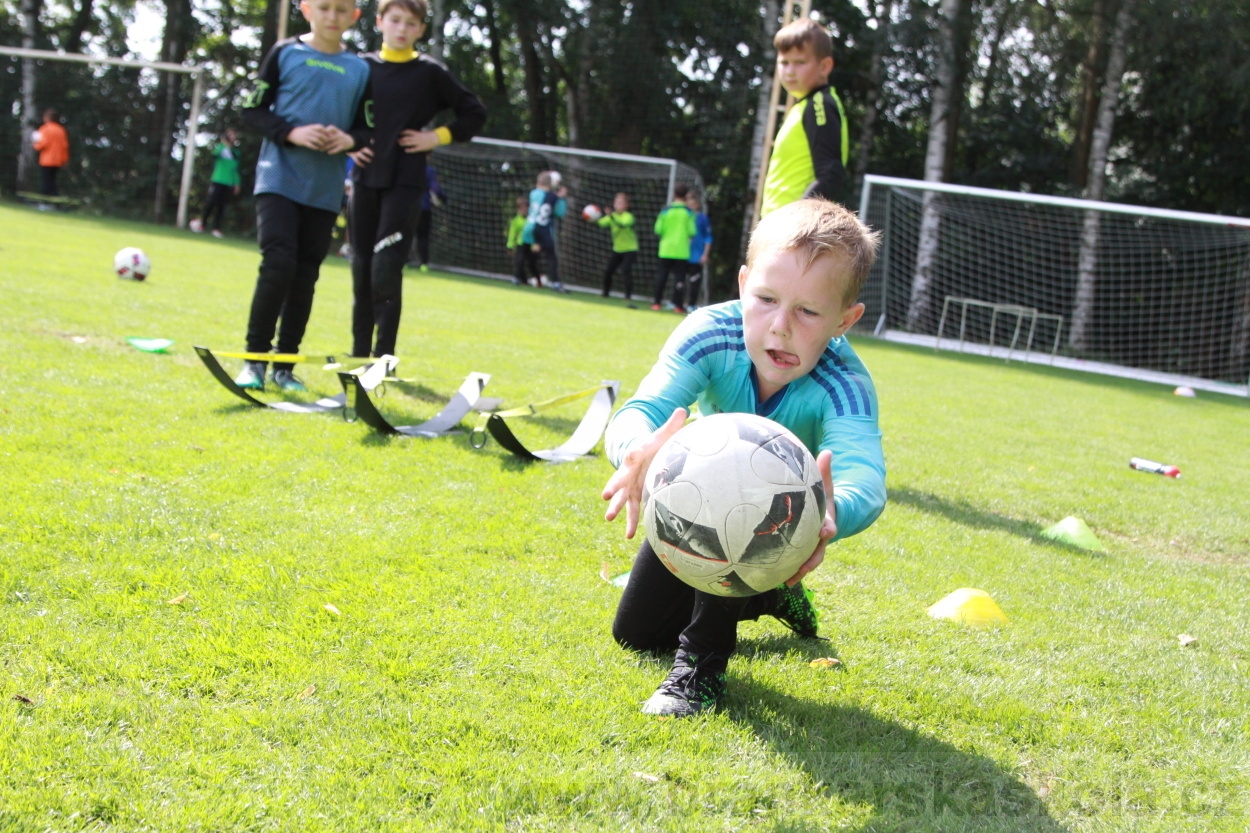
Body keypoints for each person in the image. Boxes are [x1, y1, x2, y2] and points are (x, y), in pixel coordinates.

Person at [602, 198, 885, 718]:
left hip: (776, 520)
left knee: (739, 495)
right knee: (636, 635)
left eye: (808, 311)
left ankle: (700, 668)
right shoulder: (710, 333)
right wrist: (637, 450)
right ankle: (772, 596)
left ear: (844, 320)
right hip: (689, 501)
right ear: (742, 285)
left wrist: (831, 512)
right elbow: (640, 412)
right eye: (766, 299)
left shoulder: (845, 383)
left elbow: (864, 478)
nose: (780, 326)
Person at [232, 0, 372, 392]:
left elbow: (368, 129)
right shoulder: (285, 53)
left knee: (305, 274)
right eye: (324, 7)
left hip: (324, 190)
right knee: (278, 263)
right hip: (278, 179)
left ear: (354, 17)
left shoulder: (360, 69)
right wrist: (291, 132)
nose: (332, 16)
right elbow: (252, 110)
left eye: (341, 10)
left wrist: (349, 140)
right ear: (306, 8)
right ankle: (254, 361)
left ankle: (285, 366)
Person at [348, 0, 486, 358]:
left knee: (385, 268)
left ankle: (384, 357)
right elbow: (337, 113)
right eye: (395, 20)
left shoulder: (430, 72)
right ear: (379, 21)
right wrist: (349, 147)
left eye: (411, 23)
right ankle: (359, 354)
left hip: (405, 183)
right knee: (361, 268)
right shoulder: (359, 67)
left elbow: (474, 113)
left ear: (421, 29)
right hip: (364, 179)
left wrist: (435, 137)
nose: (402, 28)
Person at [759, 18, 848, 218]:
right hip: (778, 225)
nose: (790, 71)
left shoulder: (819, 104)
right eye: (784, 62)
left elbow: (831, 173)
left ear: (825, 66)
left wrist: (797, 224)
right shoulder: (803, 106)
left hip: (792, 228)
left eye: (800, 62)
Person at [651, 182, 696, 313]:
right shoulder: (688, 212)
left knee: (662, 276)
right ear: (686, 195)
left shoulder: (666, 210)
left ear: (674, 194)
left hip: (666, 249)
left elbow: (658, 229)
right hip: (681, 250)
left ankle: (656, 303)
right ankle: (678, 306)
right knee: (679, 278)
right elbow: (692, 231)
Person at [190, 128, 242, 238]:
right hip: (217, 180)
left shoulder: (236, 152)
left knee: (222, 206)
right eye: (230, 135)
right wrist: (224, 144)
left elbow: (235, 170)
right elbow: (215, 155)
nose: (232, 137)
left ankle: (216, 228)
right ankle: (202, 225)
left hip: (228, 182)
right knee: (210, 203)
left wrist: (237, 184)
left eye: (234, 135)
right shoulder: (220, 148)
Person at [522, 170, 569, 293]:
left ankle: (521, 278)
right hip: (543, 229)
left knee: (528, 255)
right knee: (551, 257)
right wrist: (561, 198)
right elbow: (560, 213)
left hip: (529, 227)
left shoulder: (533, 193)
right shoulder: (553, 197)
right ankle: (556, 283)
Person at [591, 192, 638, 299]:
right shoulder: (612, 216)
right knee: (608, 270)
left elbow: (622, 224)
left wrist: (611, 216)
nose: (617, 205)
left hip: (630, 249)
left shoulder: (628, 216)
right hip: (617, 249)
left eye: (621, 203)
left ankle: (628, 296)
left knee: (626, 270)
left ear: (626, 205)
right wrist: (592, 218)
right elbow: (600, 223)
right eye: (616, 202)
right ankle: (605, 293)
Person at [410, 162, 446, 272]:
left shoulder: (408, 167)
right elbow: (435, 188)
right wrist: (443, 198)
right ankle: (423, 263)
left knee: (406, 234)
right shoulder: (429, 170)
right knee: (423, 236)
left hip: (409, 207)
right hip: (424, 208)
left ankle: (404, 261)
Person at [683, 192, 712, 312]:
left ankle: (691, 304)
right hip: (683, 254)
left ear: (697, 205)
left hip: (697, 255)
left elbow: (708, 237)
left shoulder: (702, 218)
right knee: (681, 280)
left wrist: (705, 254)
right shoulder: (684, 217)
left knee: (694, 281)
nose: (691, 207)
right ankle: (677, 304)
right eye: (688, 204)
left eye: (693, 204)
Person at [31, 108, 70, 198]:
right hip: (58, 160)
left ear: (47, 118)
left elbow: (43, 144)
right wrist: (65, 160)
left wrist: (35, 145)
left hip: (47, 160)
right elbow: (65, 146)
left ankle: (45, 199)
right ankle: (54, 198)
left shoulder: (45, 129)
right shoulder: (61, 130)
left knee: (46, 180)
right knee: (52, 180)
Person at [507, 195, 540, 286]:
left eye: (525, 208)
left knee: (532, 264)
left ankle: (538, 280)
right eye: (521, 208)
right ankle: (519, 279)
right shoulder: (516, 221)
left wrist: (537, 243)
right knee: (519, 261)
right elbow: (512, 234)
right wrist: (510, 246)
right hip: (521, 244)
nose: (523, 210)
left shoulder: (532, 219)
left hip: (532, 245)